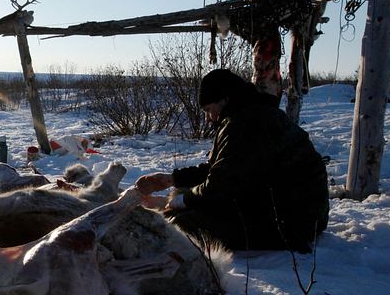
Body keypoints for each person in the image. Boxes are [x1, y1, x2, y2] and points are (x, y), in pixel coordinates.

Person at [136, 69, 329, 253]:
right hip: (287, 207)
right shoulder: (251, 114)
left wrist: (184, 200)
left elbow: (221, 185)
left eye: (209, 109)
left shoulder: (246, 124)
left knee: (183, 223)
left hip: (293, 221)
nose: (208, 118)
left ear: (224, 100)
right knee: (186, 197)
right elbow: (223, 168)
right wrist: (173, 179)